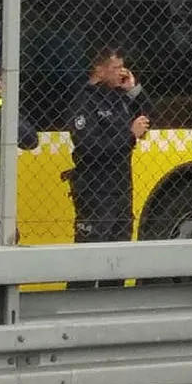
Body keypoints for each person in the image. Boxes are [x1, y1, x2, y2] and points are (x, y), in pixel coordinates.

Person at [66, 48, 149, 252]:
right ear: (99, 69)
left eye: (123, 67)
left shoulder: (118, 96)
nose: (122, 72)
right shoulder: (85, 101)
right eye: (116, 68)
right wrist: (129, 136)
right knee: (90, 255)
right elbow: (89, 147)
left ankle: (115, 285)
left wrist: (133, 89)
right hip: (96, 190)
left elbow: (148, 117)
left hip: (121, 188)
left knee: (119, 254)